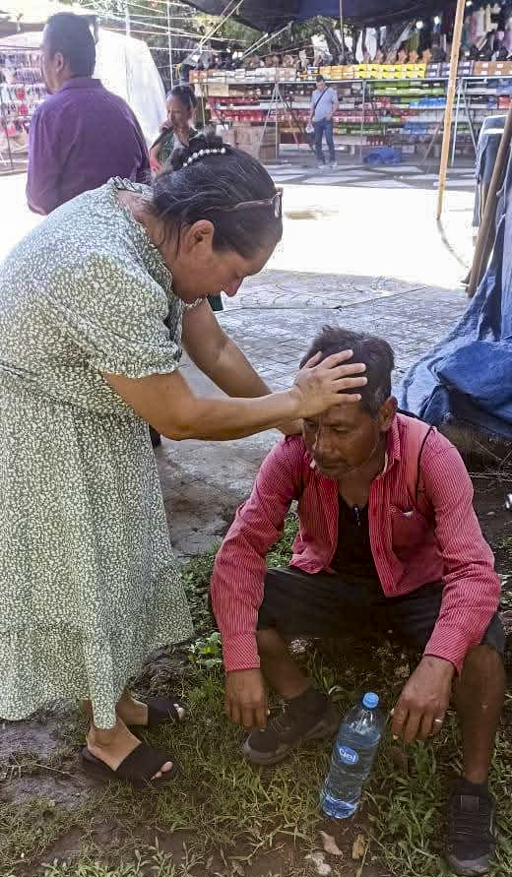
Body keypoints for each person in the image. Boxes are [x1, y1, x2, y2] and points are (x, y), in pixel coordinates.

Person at [0, 136, 367, 791]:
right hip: (43, 419)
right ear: (202, 236)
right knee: (86, 569)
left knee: (117, 559)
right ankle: (105, 735)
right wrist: (292, 399)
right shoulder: (106, 269)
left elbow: (214, 346)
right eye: (237, 272)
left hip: (92, 403)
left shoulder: (160, 227)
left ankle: (121, 703)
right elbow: (179, 415)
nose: (235, 287)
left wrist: (290, 415)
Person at [211, 326, 505, 877]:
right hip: (334, 586)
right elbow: (241, 551)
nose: (321, 448)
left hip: (417, 591)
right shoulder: (295, 455)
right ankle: (307, 706)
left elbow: (474, 570)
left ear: (387, 414)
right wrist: (239, 657)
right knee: (242, 602)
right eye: (312, 425)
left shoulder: (429, 455)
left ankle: (472, 789)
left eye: (340, 430)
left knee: (484, 642)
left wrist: (440, 663)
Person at [26, 13, 149, 215]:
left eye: (42, 55)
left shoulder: (48, 114)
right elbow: (145, 178)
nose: (40, 64)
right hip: (126, 238)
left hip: (75, 240)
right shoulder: (122, 108)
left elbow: (39, 199)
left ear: (58, 61)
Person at [149, 85, 198, 174]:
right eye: (168, 111)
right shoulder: (166, 135)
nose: (170, 117)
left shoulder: (198, 140)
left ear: (190, 112)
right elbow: (152, 157)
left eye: (176, 112)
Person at [309, 75, 338, 170]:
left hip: (327, 120)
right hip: (317, 120)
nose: (319, 87)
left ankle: (333, 160)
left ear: (324, 83)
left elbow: (336, 104)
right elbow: (312, 107)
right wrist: (309, 120)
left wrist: (331, 113)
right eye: (318, 85)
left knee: (329, 139)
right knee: (317, 142)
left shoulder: (331, 92)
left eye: (321, 85)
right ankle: (320, 160)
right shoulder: (314, 93)